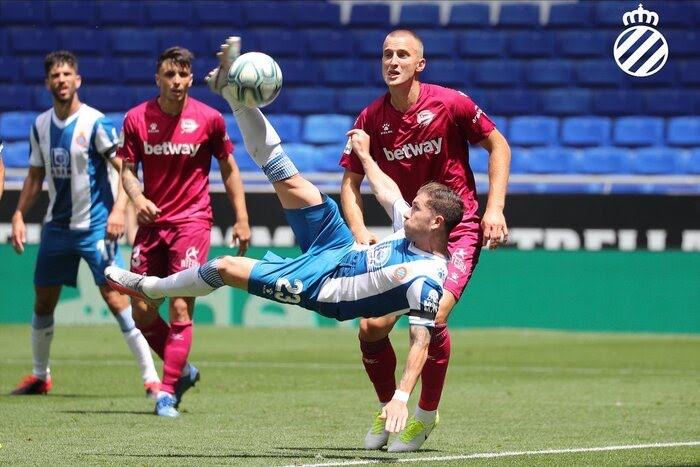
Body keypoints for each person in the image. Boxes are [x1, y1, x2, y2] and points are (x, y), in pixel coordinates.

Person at [105, 39, 464, 437]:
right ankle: (236, 99)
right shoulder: (411, 225)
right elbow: (386, 192)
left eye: (416, 208)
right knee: (286, 175)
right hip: (339, 247)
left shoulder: (429, 279)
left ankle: (154, 289)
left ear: (434, 223)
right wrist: (365, 157)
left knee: (225, 267)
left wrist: (401, 396)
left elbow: (419, 341)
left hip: (328, 287)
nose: (406, 208)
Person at [339, 29, 511, 452]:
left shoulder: (451, 103)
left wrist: (494, 208)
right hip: (407, 229)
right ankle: (387, 409)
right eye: (386, 54)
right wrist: (360, 233)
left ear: (420, 65)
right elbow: (350, 183)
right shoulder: (371, 119)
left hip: (458, 228)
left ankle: (424, 415)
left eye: (403, 54)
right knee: (370, 328)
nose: (392, 61)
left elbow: (498, 144)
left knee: (432, 317)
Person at [9, 50, 160, 396]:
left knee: (117, 299)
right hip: (57, 228)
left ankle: (151, 378)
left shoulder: (96, 123)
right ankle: (39, 376)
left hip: (95, 226)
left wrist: (120, 209)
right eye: (55, 75)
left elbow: (125, 167)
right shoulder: (41, 125)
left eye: (67, 74)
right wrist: (18, 213)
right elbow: (34, 176)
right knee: (43, 301)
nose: (61, 80)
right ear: (47, 82)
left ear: (78, 80)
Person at [117, 46, 251, 417]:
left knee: (179, 303)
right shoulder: (136, 119)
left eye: (183, 75)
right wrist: (137, 197)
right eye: (170, 75)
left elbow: (229, 169)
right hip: (151, 222)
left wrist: (241, 217)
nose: (177, 82)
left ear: (191, 78)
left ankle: (167, 391)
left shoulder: (209, 119)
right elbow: (126, 168)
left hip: (192, 221)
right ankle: (184, 370)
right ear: (158, 78)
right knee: (142, 310)